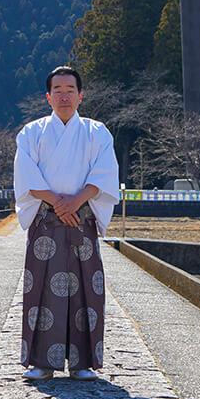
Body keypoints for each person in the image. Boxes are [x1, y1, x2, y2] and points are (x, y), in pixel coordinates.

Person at [13, 65, 120, 381]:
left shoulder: (96, 132)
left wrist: (74, 202)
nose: (63, 96)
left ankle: (82, 362)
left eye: (69, 90)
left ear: (80, 95)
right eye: (57, 90)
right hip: (46, 222)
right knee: (42, 291)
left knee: (86, 290)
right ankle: (41, 362)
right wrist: (59, 203)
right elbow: (27, 177)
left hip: (81, 221)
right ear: (47, 97)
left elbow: (103, 174)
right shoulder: (31, 133)